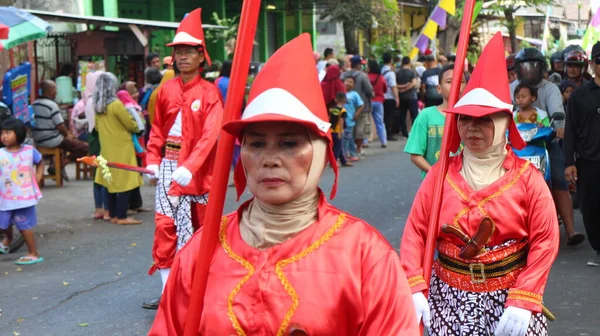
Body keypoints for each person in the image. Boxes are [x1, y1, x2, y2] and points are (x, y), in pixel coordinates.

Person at [149, 33, 419, 335]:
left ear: (320, 152)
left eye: (289, 143)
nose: (270, 159)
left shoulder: (365, 255)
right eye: (256, 144)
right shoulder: (202, 249)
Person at [401, 33, 559, 336]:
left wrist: (524, 297)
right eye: (463, 118)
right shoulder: (440, 173)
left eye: (485, 120)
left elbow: (546, 241)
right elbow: (416, 232)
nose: (471, 127)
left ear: (504, 123)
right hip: (447, 298)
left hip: (509, 303)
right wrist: (413, 283)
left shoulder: (528, 178)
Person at [142, 8, 223, 310]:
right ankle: (168, 293)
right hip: (168, 168)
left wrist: (190, 167)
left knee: (200, 230)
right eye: (179, 52)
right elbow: (157, 130)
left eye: (190, 52)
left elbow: (210, 135)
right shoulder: (165, 91)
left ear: (202, 56)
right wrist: (153, 159)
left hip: (200, 174)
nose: (183, 57)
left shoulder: (211, 93)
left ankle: (202, 291)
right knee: (165, 227)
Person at [511, 47, 581, 247]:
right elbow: (503, 109)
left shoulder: (549, 88)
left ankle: (570, 230)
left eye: (533, 65)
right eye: (525, 66)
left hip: (544, 142)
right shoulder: (511, 87)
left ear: (542, 67)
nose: (529, 70)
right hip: (516, 144)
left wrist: (559, 127)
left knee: (559, 179)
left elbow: (557, 113)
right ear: (517, 68)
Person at [564, 42, 600, 266]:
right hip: (588, 162)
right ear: (593, 64)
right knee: (591, 206)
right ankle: (598, 248)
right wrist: (569, 162)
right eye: (599, 61)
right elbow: (570, 131)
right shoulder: (579, 96)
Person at [93, 73, 143, 225]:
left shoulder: (98, 106)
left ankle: (114, 214)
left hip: (107, 149)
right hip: (122, 147)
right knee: (124, 182)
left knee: (110, 182)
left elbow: (96, 127)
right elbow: (129, 123)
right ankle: (121, 216)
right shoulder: (115, 105)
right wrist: (137, 125)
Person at [404, 63, 466, 179]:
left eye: (461, 81)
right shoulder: (426, 116)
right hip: (435, 186)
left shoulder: (472, 117)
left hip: (465, 186)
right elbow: (415, 155)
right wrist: (436, 174)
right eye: (449, 81)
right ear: (439, 88)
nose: (456, 85)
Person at [0, 118, 44, 265]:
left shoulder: (29, 151)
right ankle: (8, 240)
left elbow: (40, 162)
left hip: (24, 197)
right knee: (3, 224)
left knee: (23, 225)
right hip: (5, 197)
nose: (4, 136)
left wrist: (38, 175)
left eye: (8, 132)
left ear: (18, 133)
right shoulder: (1, 153)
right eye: (2, 133)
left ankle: (33, 252)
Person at [31, 80, 89, 175]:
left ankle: (56, 164)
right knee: (84, 147)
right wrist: (67, 136)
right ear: (50, 91)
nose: (56, 92)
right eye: (55, 89)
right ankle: (59, 165)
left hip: (38, 139)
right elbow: (60, 126)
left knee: (68, 143)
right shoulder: (52, 105)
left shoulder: (34, 104)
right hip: (52, 139)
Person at [83, 72, 110, 221]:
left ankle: (98, 208)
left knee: (97, 174)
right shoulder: (100, 101)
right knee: (105, 173)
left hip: (93, 138)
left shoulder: (89, 100)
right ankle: (106, 209)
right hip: (101, 138)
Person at [341, 55, 373, 155]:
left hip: (346, 107)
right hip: (361, 107)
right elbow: (369, 91)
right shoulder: (363, 76)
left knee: (348, 130)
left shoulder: (343, 75)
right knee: (360, 129)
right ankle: (358, 149)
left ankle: (349, 150)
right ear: (359, 65)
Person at [396, 56, 420, 137]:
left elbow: (395, 85)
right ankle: (415, 132)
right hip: (412, 97)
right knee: (414, 115)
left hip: (402, 97)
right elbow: (414, 83)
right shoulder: (412, 72)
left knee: (402, 115)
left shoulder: (398, 72)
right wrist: (406, 87)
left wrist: (402, 89)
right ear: (409, 62)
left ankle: (404, 132)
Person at [366, 60, 388, 148]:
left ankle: (365, 141)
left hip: (368, 101)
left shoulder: (367, 77)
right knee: (380, 122)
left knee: (366, 122)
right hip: (379, 101)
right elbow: (385, 89)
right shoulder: (381, 77)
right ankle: (383, 141)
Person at [342, 77, 364, 162]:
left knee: (346, 138)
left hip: (349, 119)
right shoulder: (341, 93)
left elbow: (361, 105)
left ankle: (344, 155)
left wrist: (356, 114)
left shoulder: (354, 94)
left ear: (354, 85)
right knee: (349, 137)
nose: (348, 83)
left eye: (351, 82)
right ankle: (353, 154)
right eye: (347, 81)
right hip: (341, 120)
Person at [329, 91, 352, 167]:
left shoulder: (332, 109)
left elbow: (329, 119)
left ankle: (343, 161)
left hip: (331, 130)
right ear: (345, 100)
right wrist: (341, 131)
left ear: (336, 100)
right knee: (337, 148)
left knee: (338, 146)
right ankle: (333, 162)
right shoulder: (343, 111)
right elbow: (341, 121)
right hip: (338, 131)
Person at [381, 53, 399, 142]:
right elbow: (393, 86)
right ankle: (389, 134)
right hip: (390, 97)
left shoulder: (381, 71)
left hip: (382, 96)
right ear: (391, 61)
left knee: (384, 116)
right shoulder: (391, 73)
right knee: (389, 116)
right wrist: (397, 98)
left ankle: (385, 133)